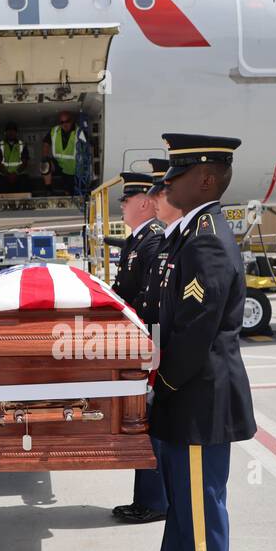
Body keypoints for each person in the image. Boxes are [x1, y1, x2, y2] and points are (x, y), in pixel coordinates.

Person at [141, 134, 255, 551]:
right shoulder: (188, 236)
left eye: (175, 176)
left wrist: (160, 384)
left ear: (205, 179)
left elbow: (193, 331)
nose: (165, 186)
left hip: (195, 401)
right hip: (186, 399)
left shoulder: (205, 239)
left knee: (201, 521)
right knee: (190, 522)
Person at [129, 158, 185, 551]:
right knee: (171, 474)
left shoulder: (192, 243)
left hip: (174, 377)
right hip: (158, 362)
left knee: (183, 487)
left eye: (158, 192)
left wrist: (160, 378)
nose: (150, 200)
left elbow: (192, 329)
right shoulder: (168, 242)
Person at [109, 170, 169, 528]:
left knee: (151, 422)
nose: (121, 206)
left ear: (144, 203)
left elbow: (148, 297)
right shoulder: (137, 241)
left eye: (126, 200)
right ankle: (145, 499)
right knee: (143, 422)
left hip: (150, 341)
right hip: (139, 340)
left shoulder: (152, 241)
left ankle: (155, 500)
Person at [42, 111, 80, 196]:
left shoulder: (79, 132)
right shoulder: (54, 131)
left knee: (69, 192)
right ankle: (49, 190)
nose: (64, 124)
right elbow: (46, 143)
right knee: (45, 164)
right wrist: (46, 158)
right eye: (62, 122)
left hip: (73, 169)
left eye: (67, 121)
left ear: (72, 120)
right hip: (58, 164)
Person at [0, 122, 30, 192]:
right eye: (9, 131)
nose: (11, 133)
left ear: (16, 133)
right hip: (4, 176)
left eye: (13, 131)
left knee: (24, 181)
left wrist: (15, 173)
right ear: (5, 133)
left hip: (19, 175)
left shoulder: (22, 145)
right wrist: (7, 174)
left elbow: (25, 163)